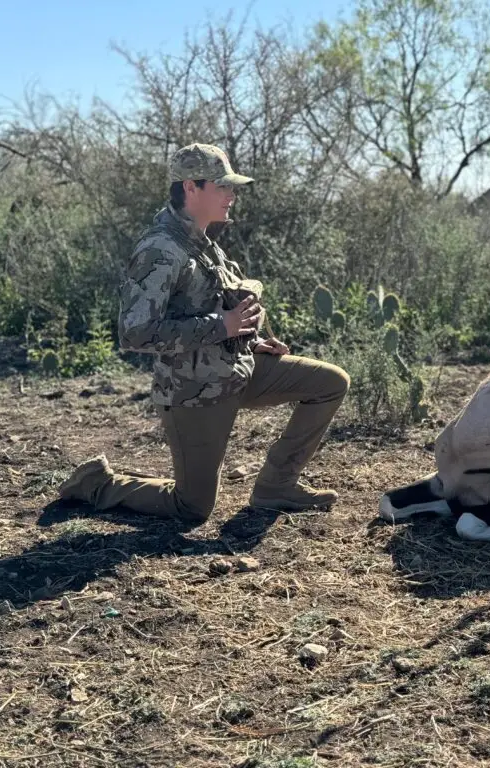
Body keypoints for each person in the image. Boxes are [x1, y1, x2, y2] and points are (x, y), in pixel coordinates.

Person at [56, 142, 350, 523]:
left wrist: (252, 338)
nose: (232, 194)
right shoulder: (160, 249)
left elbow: (217, 304)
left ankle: (277, 485)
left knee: (330, 383)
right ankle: (97, 484)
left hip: (237, 370)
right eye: (222, 186)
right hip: (193, 391)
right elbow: (135, 333)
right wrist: (221, 326)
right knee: (192, 507)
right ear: (191, 187)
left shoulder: (204, 240)